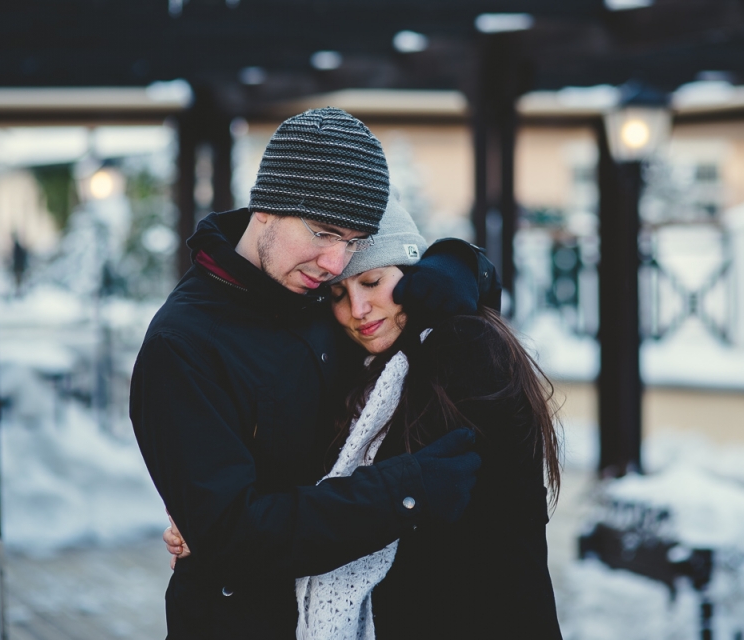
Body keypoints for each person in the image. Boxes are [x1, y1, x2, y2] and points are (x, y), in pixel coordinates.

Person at [130, 107, 497, 639]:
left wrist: (459, 264)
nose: (335, 263)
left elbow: (406, 295)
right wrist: (403, 492)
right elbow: (233, 537)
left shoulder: (315, 296)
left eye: (353, 242)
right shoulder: (182, 346)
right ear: (267, 207)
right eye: (325, 233)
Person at [166, 195, 563, 639]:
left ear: (417, 278)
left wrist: (460, 261)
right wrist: (210, 516)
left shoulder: (462, 350)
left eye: (372, 282)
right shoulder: (358, 371)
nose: (357, 310)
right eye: (338, 294)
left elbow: (465, 524)